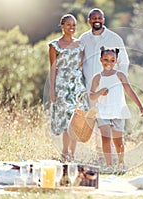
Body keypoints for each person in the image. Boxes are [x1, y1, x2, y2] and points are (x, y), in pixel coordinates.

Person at [79, 8, 130, 165]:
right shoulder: (84, 38)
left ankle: (117, 160)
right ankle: (102, 160)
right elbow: (79, 61)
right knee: (99, 126)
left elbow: (124, 62)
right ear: (89, 20)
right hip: (92, 90)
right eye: (93, 18)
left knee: (115, 127)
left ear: (104, 20)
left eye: (99, 18)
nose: (97, 20)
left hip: (112, 91)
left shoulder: (114, 38)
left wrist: (116, 82)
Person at [89, 46, 143, 173]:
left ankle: (120, 163)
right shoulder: (97, 77)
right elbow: (91, 96)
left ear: (116, 61)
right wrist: (100, 93)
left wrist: (140, 106)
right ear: (100, 60)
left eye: (112, 60)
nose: (109, 62)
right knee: (106, 139)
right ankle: (109, 166)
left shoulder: (120, 75)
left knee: (118, 141)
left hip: (118, 111)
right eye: (106, 59)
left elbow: (129, 91)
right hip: (102, 111)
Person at [48, 14, 88, 162]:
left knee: (77, 119)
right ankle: (65, 153)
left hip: (77, 85)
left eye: (74, 25)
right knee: (66, 121)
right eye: (68, 24)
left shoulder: (80, 45)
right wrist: (52, 90)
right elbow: (53, 68)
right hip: (62, 86)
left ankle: (72, 153)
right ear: (62, 26)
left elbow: (82, 65)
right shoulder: (54, 45)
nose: (72, 27)